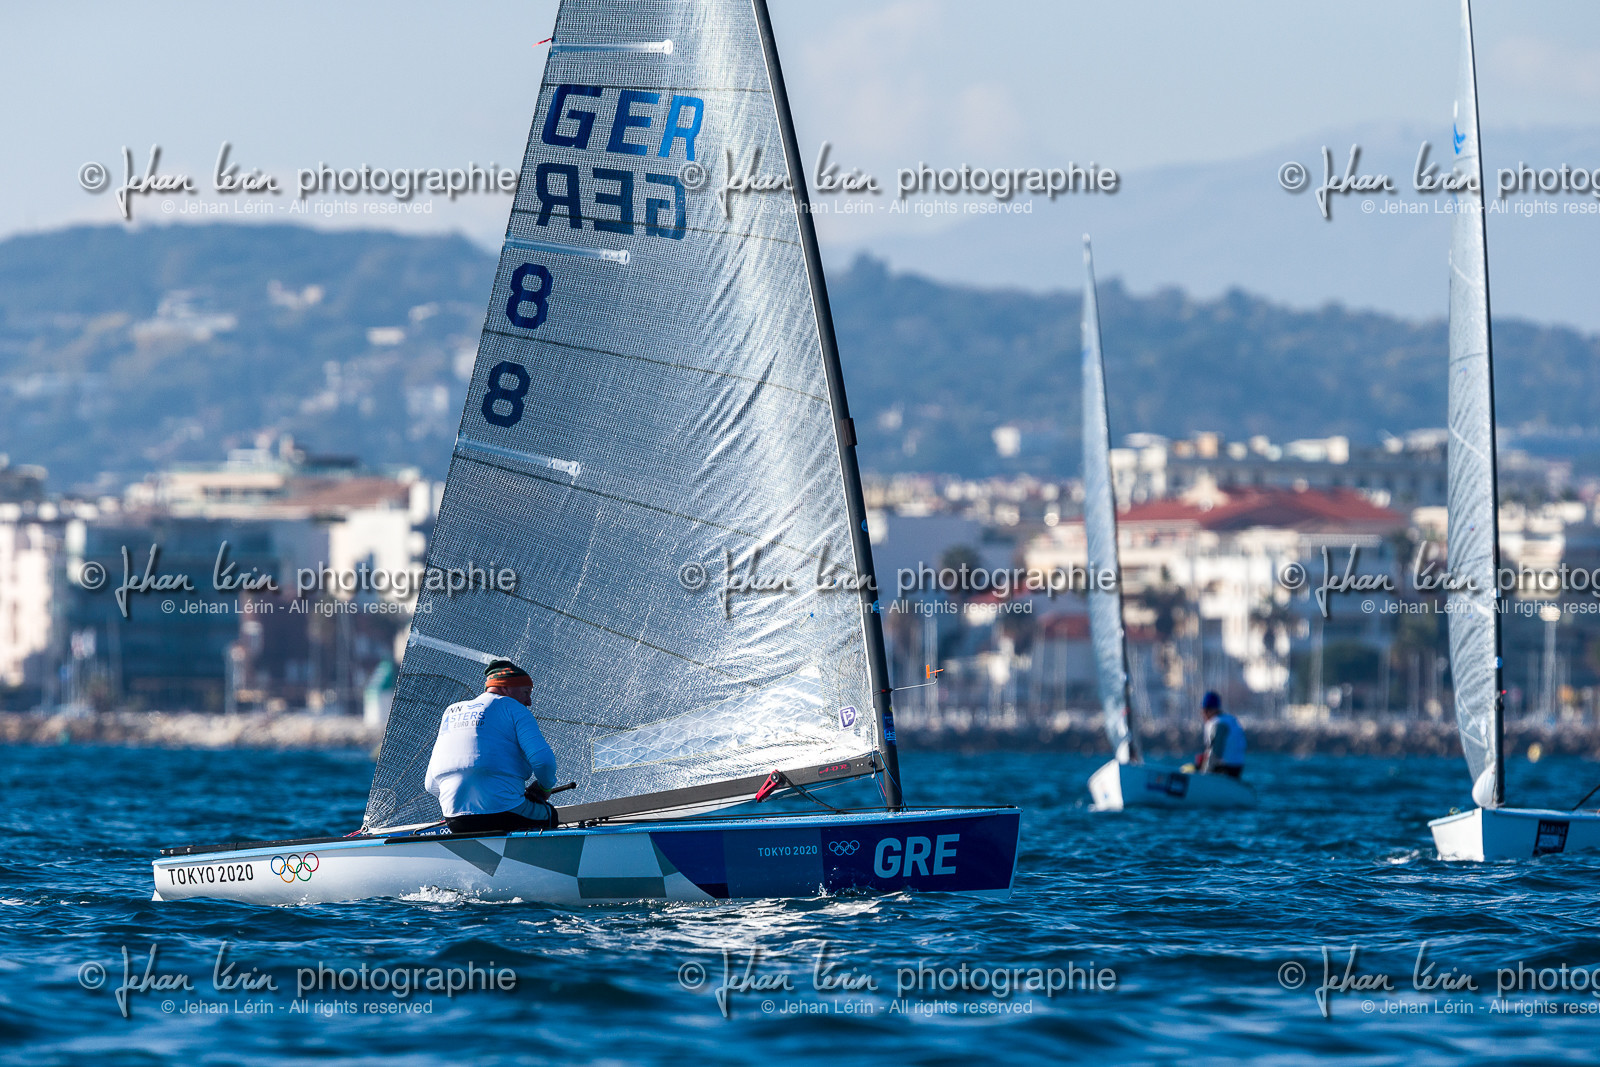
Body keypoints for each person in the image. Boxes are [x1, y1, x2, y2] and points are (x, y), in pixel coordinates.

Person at [425, 658, 560, 833]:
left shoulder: (451, 711)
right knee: (550, 815)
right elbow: (544, 761)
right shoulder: (513, 707)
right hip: (504, 812)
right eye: (526, 692)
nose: (529, 702)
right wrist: (543, 788)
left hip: (455, 819)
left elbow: (430, 784)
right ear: (506, 687)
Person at [1194, 690, 1246, 777]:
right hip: (1237, 768)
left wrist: (1203, 773)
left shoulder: (1218, 724)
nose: (1203, 715)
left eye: (1204, 711)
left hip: (1225, 770)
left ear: (1210, 710)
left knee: (1188, 769)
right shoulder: (1230, 720)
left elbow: (1215, 753)